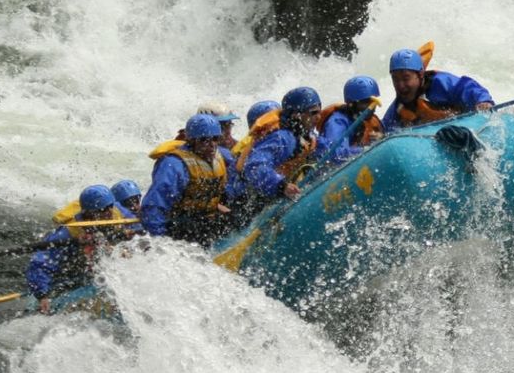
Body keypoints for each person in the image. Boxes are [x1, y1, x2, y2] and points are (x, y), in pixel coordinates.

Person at [25, 184, 140, 314]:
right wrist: (42, 295)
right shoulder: (68, 233)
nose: (109, 212)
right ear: (89, 212)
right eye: (103, 210)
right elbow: (40, 263)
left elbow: (138, 227)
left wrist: (132, 232)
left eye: (110, 206)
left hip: (99, 267)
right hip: (72, 273)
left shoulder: (116, 211)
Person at [139, 113, 244, 245]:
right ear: (192, 141)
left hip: (206, 218)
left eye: (215, 139)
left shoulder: (221, 155)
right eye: (204, 140)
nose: (211, 145)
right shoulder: (174, 165)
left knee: (238, 217)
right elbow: (154, 206)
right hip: (180, 223)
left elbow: (236, 180)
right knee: (197, 228)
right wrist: (159, 242)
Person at [241, 86, 325, 202]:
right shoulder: (282, 138)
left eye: (319, 111)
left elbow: (329, 149)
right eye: (313, 113)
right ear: (296, 115)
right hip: (256, 200)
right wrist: (281, 186)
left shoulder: (306, 135)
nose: (319, 117)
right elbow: (254, 166)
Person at [380, 47, 494, 131]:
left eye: (406, 78)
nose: (400, 85)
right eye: (395, 79)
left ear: (420, 74)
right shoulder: (399, 106)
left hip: (465, 126)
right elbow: (384, 129)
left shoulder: (440, 82)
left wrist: (483, 101)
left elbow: (467, 87)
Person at [318, 75, 384, 161]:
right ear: (351, 104)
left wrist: (382, 138)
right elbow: (335, 153)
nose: (372, 107)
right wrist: (366, 150)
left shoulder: (371, 120)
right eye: (366, 103)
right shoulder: (337, 122)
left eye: (373, 102)